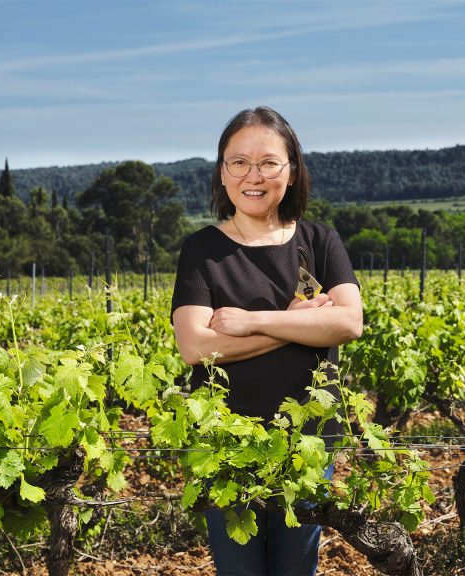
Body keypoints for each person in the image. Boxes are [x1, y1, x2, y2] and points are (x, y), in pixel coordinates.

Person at [171, 106, 363, 576]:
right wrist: (296, 325)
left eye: (269, 163)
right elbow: (195, 346)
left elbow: (348, 324)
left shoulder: (320, 242)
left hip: (309, 446)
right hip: (226, 449)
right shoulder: (202, 251)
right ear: (221, 172)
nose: (253, 176)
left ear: (292, 171)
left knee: (297, 570)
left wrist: (254, 322)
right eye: (239, 162)